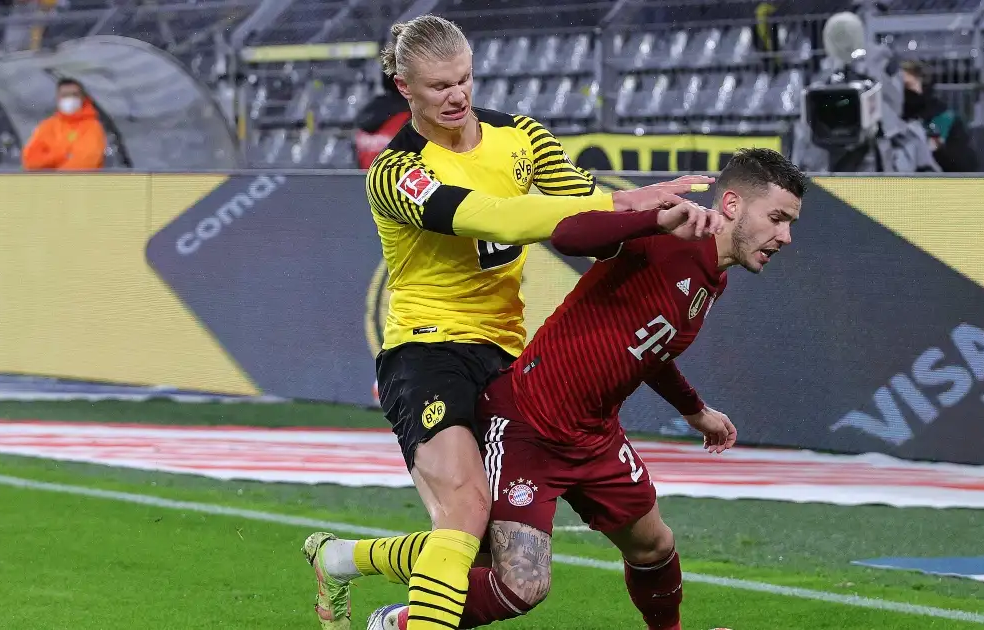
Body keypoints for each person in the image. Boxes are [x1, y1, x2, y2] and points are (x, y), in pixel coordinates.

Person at [300, 14, 713, 630]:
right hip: (427, 350)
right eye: (438, 85)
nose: (457, 95)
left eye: (464, 79)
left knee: (489, 547)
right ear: (402, 85)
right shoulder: (396, 172)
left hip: (506, 353)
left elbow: (582, 212)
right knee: (465, 510)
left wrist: (636, 202)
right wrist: (632, 209)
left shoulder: (521, 136)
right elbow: (500, 218)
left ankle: (341, 559)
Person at [367, 148, 806, 630]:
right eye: (777, 218)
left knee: (654, 546)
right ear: (731, 204)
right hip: (528, 425)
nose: (784, 236)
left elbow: (647, 348)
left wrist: (694, 410)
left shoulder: (712, 278)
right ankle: (396, 623)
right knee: (519, 585)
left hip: (594, 435)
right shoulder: (665, 235)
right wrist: (648, 219)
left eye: (789, 224)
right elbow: (570, 235)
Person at [900, 60, 980, 173]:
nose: (903, 92)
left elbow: (966, 166)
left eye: (907, 85)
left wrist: (940, 150)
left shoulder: (946, 118)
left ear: (923, 83)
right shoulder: (892, 119)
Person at [21, 77, 106, 171]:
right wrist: (63, 155)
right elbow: (30, 161)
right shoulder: (48, 125)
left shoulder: (92, 127)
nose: (70, 99)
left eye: (74, 95)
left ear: (83, 98)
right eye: (65, 95)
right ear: (58, 98)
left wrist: (50, 164)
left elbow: (85, 163)